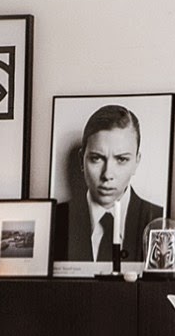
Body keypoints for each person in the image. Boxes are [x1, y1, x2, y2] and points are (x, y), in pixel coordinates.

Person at [54, 104, 162, 262]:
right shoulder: (53, 221)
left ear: (136, 162)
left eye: (121, 159)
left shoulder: (160, 221)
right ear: (81, 160)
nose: (107, 174)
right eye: (96, 158)